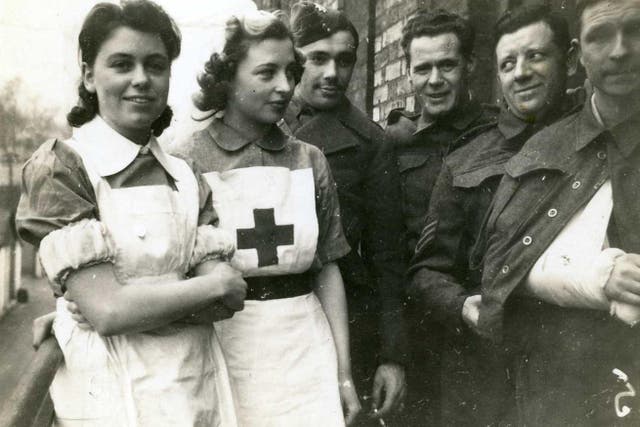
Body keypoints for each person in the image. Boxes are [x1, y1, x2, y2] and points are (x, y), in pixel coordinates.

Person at [15, 2, 246, 425]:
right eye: (122, 64)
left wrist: (130, 302)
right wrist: (204, 287)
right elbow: (108, 313)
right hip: (107, 396)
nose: (141, 79)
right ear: (89, 75)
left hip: (194, 389)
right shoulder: (64, 168)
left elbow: (228, 300)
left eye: (155, 65)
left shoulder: (185, 174)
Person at [170, 10, 361, 426]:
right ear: (228, 77)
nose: (285, 86)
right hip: (226, 345)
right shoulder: (187, 161)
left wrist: (343, 375)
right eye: (266, 72)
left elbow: (327, 269)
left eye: (290, 72)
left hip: (305, 349)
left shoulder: (309, 159)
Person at [408, 6, 578, 425]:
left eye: (536, 56)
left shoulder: (598, 142)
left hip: (574, 368)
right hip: (486, 375)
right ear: (497, 74)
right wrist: (461, 304)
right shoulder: (468, 158)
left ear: (570, 59)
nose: (521, 72)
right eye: (508, 63)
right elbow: (426, 270)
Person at [474, 0, 640, 424]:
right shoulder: (544, 150)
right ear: (579, 55)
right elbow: (498, 273)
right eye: (600, 36)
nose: (620, 50)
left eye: (636, 29)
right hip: (564, 389)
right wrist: (599, 276)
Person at [282, 3, 407, 423]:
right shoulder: (259, 125)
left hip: (346, 322)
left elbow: (390, 256)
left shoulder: (372, 144)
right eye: (317, 58)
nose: (333, 73)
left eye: (345, 59)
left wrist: (392, 356)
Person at [383, 9, 497, 423]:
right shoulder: (392, 144)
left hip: (479, 325)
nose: (434, 80)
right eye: (423, 68)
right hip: (415, 330)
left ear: (469, 65)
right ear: (409, 74)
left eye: (447, 65)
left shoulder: (498, 136)